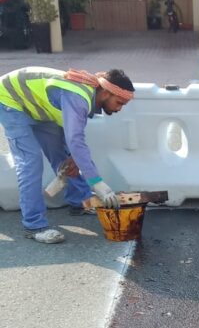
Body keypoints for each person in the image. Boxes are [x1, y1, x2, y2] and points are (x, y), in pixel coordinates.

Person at [0, 66, 134, 243]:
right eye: (119, 103)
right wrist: (96, 182)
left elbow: (73, 140)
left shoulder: (87, 94)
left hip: (36, 105)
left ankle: (81, 202)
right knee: (31, 163)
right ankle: (34, 226)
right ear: (106, 93)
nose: (119, 109)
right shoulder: (78, 97)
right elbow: (75, 139)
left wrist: (74, 158)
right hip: (10, 99)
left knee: (66, 157)